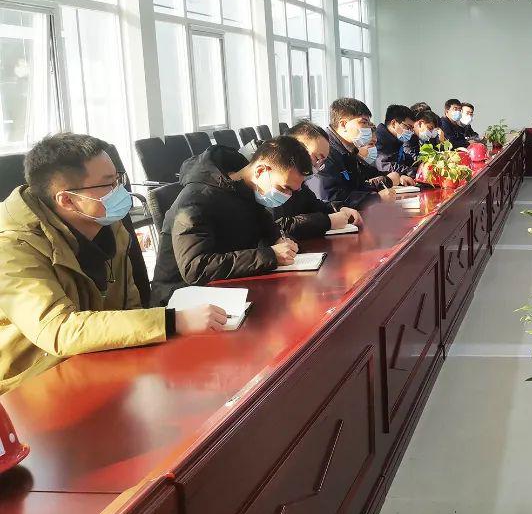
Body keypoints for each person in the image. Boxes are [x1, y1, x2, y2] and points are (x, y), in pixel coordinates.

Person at [0, 134, 225, 394]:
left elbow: (129, 306)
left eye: (118, 179)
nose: (120, 191)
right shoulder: (11, 248)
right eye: (109, 184)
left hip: (100, 362)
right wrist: (171, 321)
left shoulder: (109, 226)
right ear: (67, 200)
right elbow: (59, 330)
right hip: (33, 387)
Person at [151, 136, 311, 304]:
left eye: (293, 191)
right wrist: (270, 255)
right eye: (285, 188)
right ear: (260, 171)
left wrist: (279, 239)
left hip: (226, 289)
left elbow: (267, 227)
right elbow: (195, 268)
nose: (288, 196)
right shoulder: (196, 199)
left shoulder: (246, 190)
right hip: (182, 300)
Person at [307, 98, 414, 209]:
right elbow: (332, 199)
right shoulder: (326, 152)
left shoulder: (349, 149)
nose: (368, 128)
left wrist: (396, 176)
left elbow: (364, 181)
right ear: (343, 124)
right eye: (363, 122)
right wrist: (376, 198)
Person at [275, 121, 362, 239]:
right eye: (317, 158)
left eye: (321, 162)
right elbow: (279, 226)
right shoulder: (271, 178)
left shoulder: (300, 184)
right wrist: (328, 221)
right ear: (296, 148)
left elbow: (313, 204)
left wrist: (339, 208)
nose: (317, 166)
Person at [375, 104, 419, 176]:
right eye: (408, 127)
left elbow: (403, 158)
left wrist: (418, 164)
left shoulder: (396, 140)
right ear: (393, 123)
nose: (411, 132)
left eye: (412, 129)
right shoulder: (379, 140)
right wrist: (410, 171)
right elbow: (383, 165)